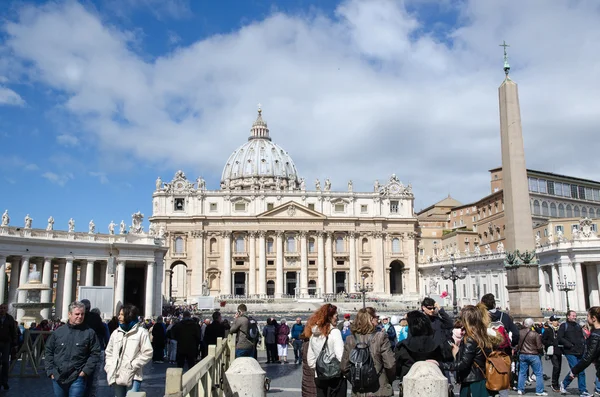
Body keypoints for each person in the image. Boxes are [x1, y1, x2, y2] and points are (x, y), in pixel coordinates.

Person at [45, 301, 101, 397]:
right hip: (58, 376)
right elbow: (48, 351)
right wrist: (50, 371)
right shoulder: (58, 332)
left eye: (82, 314)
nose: (80, 316)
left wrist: (85, 371)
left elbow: (95, 353)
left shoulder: (89, 333)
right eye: (77, 314)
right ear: (70, 314)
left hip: (78, 376)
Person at [437, 305, 493, 397]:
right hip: (481, 378)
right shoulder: (482, 335)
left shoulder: (470, 338)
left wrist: (441, 364)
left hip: (471, 381)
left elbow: (463, 363)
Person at [341, 307, 396, 396]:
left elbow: (344, 367)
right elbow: (390, 364)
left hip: (358, 390)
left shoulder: (350, 339)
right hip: (379, 389)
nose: (378, 320)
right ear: (371, 319)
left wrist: (356, 378)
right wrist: (387, 379)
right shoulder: (381, 337)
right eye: (376, 317)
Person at [104, 304, 153, 397]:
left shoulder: (141, 332)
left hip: (133, 375)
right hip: (117, 374)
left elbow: (148, 352)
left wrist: (133, 364)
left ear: (129, 316)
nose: (119, 317)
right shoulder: (116, 333)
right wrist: (109, 366)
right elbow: (109, 352)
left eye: (122, 315)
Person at [395, 310, 451, 382]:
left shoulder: (402, 346)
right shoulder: (438, 344)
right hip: (434, 382)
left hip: (409, 382)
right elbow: (447, 360)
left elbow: (397, 367)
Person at [307, 303, 346, 397]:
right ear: (329, 317)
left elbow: (310, 360)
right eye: (336, 316)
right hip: (335, 377)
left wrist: (320, 369)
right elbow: (340, 356)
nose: (338, 318)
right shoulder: (335, 332)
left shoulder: (313, 334)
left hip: (319, 377)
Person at [566, 307, 600, 396]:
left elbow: (589, 357)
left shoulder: (596, 334)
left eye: (588, 316)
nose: (587, 318)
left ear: (594, 318)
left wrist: (574, 370)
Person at [558, 310, 589, 396]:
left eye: (575, 316)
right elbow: (560, 338)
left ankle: (582, 390)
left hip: (580, 351)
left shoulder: (578, 326)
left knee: (580, 370)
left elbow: (582, 337)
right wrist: (569, 345)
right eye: (573, 316)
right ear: (568, 316)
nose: (575, 317)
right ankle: (578, 389)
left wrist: (583, 345)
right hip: (570, 351)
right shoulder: (564, 326)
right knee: (576, 370)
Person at [516, 318, 547, 396]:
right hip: (533, 355)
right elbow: (539, 347)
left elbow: (518, 344)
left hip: (523, 354)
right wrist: (541, 353)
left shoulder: (519, 332)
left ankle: (520, 389)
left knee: (522, 372)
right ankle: (539, 391)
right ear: (532, 325)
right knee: (539, 373)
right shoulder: (535, 334)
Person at [541, 315, 562, 392]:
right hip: (552, 350)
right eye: (555, 320)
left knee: (559, 367)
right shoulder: (548, 330)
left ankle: (557, 381)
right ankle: (554, 383)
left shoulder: (560, 329)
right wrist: (551, 343)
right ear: (551, 322)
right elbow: (543, 340)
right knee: (556, 366)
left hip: (559, 350)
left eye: (557, 320)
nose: (556, 322)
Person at [0, 304, 16, 390]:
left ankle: (4, 381)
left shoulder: (10, 319)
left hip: (6, 342)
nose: (2, 310)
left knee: (5, 362)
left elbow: (13, 331)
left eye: (4, 308)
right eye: (1, 308)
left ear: (6, 310)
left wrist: (14, 343)